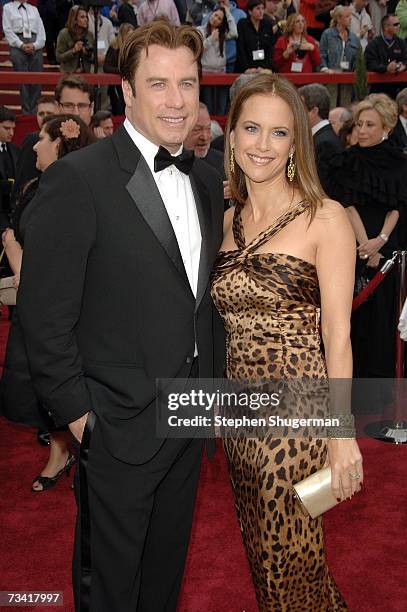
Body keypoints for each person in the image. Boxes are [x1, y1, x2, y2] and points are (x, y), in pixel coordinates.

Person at [15, 19, 224, 611]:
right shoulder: (79, 180)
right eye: (158, 84)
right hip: (116, 423)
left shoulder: (207, 182)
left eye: (187, 83)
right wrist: (80, 414)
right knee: (109, 587)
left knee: (164, 580)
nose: (177, 100)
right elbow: (44, 312)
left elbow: (193, 301)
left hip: (189, 420)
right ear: (127, 92)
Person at [211, 72, 363, 611]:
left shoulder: (325, 217)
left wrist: (341, 434)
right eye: (252, 128)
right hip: (240, 419)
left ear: (296, 141)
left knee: (291, 565)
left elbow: (338, 335)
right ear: (231, 136)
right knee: (265, 560)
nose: (263, 145)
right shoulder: (227, 221)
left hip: (297, 419)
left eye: (279, 133)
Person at [1, 114, 95, 492]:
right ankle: (61, 450)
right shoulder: (34, 185)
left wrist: (13, 249)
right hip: (28, 308)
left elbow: (53, 257)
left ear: (59, 143)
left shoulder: (73, 192)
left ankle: (70, 453)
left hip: (52, 307)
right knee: (38, 387)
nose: (35, 145)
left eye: (41, 138)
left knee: (57, 380)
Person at [327, 93, 407, 377]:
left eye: (369, 125)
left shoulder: (400, 162)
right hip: (351, 248)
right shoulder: (345, 161)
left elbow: (397, 206)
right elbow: (346, 206)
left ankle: (382, 403)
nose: (361, 130)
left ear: (386, 127)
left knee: (384, 328)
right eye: (359, 124)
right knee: (353, 326)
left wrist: (381, 241)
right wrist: (365, 245)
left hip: (387, 253)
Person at [298, 83, 344, 196]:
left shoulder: (325, 143)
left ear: (314, 112)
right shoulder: (321, 138)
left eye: (300, 109)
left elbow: (319, 185)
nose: (296, 114)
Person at [2, 0, 46, 115]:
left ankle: (36, 111)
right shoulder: (8, 7)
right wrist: (20, 44)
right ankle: (26, 112)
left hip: (34, 43)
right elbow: (7, 29)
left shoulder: (34, 9)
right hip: (17, 43)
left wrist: (36, 45)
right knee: (23, 81)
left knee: (37, 80)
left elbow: (41, 31)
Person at [13, 95, 59, 198]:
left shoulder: (65, 139)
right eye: (41, 113)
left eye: (49, 113)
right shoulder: (32, 140)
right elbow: (22, 179)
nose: (45, 117)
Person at [197, 5, 237, 113]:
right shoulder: (199, 30)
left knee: (222, 107)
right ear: (211, 14)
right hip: (206, 73)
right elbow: (198, 50)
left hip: (221, 72)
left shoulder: (222, 33)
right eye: (215, 15)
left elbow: (234, 33)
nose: (215, 19)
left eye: (219, 19)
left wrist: (228, 13)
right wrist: (211, 39)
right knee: (208, 107)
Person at [320, 5, 361, 108]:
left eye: (350, 16)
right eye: (347, 16)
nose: (350, 18)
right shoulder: (327, 34)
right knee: (330, 107)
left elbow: (358, 58)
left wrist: (356, 69)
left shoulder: (354, 37)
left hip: (347, 79)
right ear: (338, 19)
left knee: (345, 109)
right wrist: (325, 69)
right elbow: (322, 54)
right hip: (330, 77)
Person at [365, 14, 407, 98]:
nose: (399, 26)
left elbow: (406, 59)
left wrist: (404, 65)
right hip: (378, 89)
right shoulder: (374, 44)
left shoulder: (401, 42)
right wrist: (386, 68)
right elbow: (370, 63)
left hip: (398, 88)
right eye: (395, 24)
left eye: (399, 24)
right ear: (386, 27)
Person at [103, 22, 135, 115]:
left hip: (130, 85)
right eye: (128, 35)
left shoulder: (134, 49)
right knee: (119, 110)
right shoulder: (114, 48)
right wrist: (121, 70)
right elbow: (106, 67)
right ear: (122, 35)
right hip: (116, 87)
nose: (130, 38)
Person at [235, 0, 276, 72]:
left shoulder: (267, 24)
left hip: (263, 68)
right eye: (258, 8)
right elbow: (241, 48)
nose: (261, 11)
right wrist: (247, 68)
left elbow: (270, 48)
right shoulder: (242, 24)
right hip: (246, 68)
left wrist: (264, 67)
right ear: (250, 11)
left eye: (263, 8)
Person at [184, 101, 224, 173]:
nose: (205, 137)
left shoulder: (222, 162)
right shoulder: (164, 163)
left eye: (208, 129)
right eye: (197, 130)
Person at [56, 5, 94, 73]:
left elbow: (94, 58)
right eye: (82, 17)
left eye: (86, 17)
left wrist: (88, 53)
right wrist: (74, 50)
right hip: (68, 74)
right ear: (74, 19)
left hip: (86, 74)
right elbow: (58, 57)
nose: (86, 19)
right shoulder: (64, 34)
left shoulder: (89, 35)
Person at [0, 107, 20, 228]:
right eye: (6, 128)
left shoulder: (15, 149)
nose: (11, 133)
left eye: (13, 129)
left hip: (11, 213)